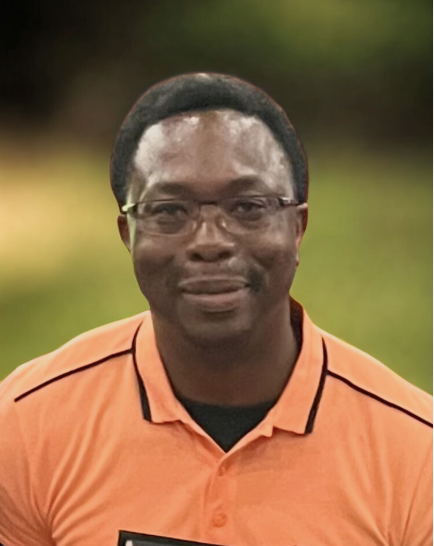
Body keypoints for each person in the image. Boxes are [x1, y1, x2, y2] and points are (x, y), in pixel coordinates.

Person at [0, 73, 432, 546]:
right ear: (128, 235)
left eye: (248, 207)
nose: (209, 242)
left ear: (297, 228)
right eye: (169, 210)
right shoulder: (26, 424)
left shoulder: (416, 453)